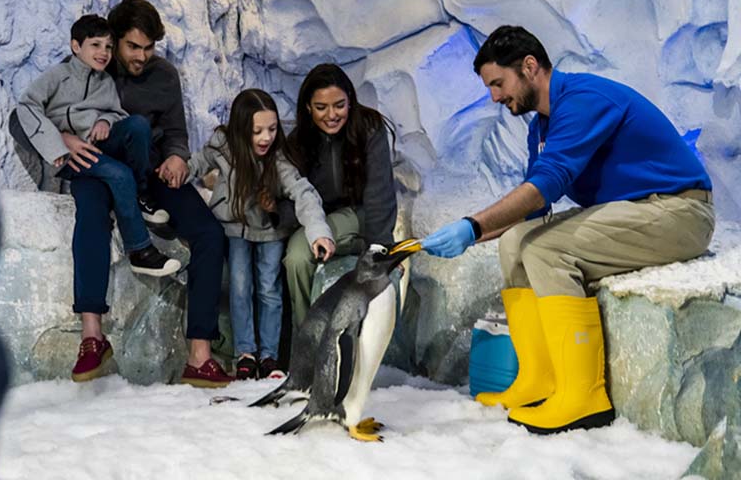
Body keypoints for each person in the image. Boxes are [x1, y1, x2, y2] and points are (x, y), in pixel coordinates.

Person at [422, 25, 715, 434]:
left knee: (546, 250)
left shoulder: (582, 101)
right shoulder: (540, 127)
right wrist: (470, 237)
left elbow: (547, 183)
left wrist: (472, 226)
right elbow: (532, 210)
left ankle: (584, 395)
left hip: (678, 212)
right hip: (632, 211)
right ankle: (539, 378)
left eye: (498, 83)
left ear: (529, 67)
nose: (494, 96)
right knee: (515, 244)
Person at [54, 0, 233, 387]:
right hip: (96, 167)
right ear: (114, 40)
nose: (141, 56)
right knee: (91, 214)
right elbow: (49, 111)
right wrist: (65, 139)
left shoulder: (164, 75)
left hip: (149, 172)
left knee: (209, 233)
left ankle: (199, 356)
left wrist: (177, 158)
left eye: (149, 48)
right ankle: (92, 337)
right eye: (133, 46)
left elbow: (175, 133)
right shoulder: (91, 67)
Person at [16, 14, 179, 280]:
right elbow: (26, 106)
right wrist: (58, 144)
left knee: (138, 125)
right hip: (69, 157)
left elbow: (117, 113)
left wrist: (105, 119)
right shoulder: (58, 76)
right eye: (95, 45)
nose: (103, 52)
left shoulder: (105, 82)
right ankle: (140, 251)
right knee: (119, 173)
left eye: (108, 46)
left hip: (98, 147)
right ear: (75, 46)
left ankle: (140, 195)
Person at [188, 89, 335, 379]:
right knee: (241, 286)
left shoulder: (278, 158)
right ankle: (246, 353)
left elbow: (303, 192)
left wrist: (319, 232)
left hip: (269, 230)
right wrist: (175, 170)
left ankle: (269, 356)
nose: (266, 137)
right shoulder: (223, 146)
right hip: (234, 228)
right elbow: (197, 164)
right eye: (257, 131)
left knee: (269, 288)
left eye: (272, 129)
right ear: (242, 130)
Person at [284, 63, 398, 326]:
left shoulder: (369, 128)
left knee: (300, 248)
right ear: (308, 107)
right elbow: (292, 196)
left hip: (360, 214)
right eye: (321, 107)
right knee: (297, 258)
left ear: (350, 101)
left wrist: (381, 249)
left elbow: (380, 193)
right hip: (320, 220)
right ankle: (306, 336)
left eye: (339, 105)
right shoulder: (299, 141)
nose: (331, 115)